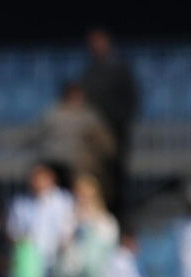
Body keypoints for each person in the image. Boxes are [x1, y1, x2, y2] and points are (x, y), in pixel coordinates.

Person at [80, 29, 138, 217]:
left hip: (115, 133)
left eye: (98, 41)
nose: (95, 46)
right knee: (95, 180)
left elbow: (130, 101)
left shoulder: (120, 69)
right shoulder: (88, 72)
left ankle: (121, 220)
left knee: (117, 181)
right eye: (91, 42)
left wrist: (116, 125)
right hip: (93, 136)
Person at [35, 82, 116, 195]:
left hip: (61, 166)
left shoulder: (50, 113)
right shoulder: (88, 116)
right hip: (75, 167)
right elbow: (108, 145)